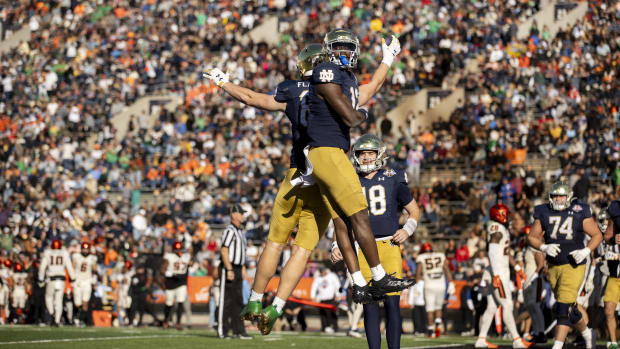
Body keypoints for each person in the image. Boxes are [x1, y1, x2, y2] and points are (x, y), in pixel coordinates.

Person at [306, 28, 414, 306]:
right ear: (329, 50)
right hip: (328, 152)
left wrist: (387, 58)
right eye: (338, 47)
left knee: (342, 220)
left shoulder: (347, 80)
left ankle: (358, 283)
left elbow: (372, 87)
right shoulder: (326, 71)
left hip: (329, 153)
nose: (343, 52)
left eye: (347, 47)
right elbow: (352, 117)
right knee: (360, 213)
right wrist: (361, 113)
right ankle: (377, 276)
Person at [331, 134, 421, 348]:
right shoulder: (350, 179)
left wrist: (407, 229)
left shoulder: (393, 176)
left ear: (379, 154)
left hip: (389, 245)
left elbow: (414, 210)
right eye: (362, 154)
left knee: (392, 303)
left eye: (370, 153)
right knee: (369, 304)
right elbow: (341, 219)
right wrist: (337, 244)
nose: (366, 158)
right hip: (361, 249)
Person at [527, 181, 602, 349]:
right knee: (568, 308)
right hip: (554, 266)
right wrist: (543, 246)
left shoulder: (579, 210)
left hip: (575, 264)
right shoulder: (543, 211)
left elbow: (597, 234)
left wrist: (586, 250)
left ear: (569, 196)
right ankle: (588, 334)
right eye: (555, 196)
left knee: (563, 307)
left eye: (561, 196)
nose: (559, 199)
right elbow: (531, 237)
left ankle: (558, 345)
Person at [475, 203, 531, 348]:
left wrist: (517, 268)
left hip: (497, 270)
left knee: (492, 307)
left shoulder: (501, 228)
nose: (508, 217)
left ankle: (481, 339)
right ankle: (517, 340)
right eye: (505, 214)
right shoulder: (496, 228)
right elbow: (493, 251)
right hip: (498, 272)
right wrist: (496, 275)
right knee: (507, 304)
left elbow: (504, 252)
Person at [217, 204, 251, 339]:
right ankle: (222, 331)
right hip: (229, 267)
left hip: (237, 268)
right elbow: (224, 250)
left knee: (238, 301)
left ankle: (239, 331)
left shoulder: (240, 232)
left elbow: (242, 253)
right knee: (226, 301)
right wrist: (229, 268)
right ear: (234, 215)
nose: (243, 216)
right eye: (241, 213)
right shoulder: (230, 230)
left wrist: (242, 268)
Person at [416, 242, 453, 338]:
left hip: (429, 284)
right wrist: (451, 282)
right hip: (441, 284)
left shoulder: (421, 257)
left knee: (430, 310)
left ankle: (430, 330)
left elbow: (418, 273)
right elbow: (446, 268)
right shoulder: (440, 255)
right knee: (438, 308)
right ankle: (438, 325)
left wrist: (418, 284)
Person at [39, 239, 75, 326]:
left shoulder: (48, 253)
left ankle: (51, 313)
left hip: (51, 279)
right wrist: (73, 277)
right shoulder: (64, 253)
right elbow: (69, 266)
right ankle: (57, 320)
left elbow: (42, 267)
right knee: (59, 300)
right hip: (61, 279)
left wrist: (41, 278)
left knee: (49, 297)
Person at [520, 226, 547, 344]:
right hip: (528, 280)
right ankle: (536, 332)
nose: (525, 238)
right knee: (530, 307)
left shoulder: (536, 247)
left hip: (535, 280)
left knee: (535, 306)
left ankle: (541, 332)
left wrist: (534, 276)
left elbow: (541, 264)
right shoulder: (527, 248)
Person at [160, 241, 190, 329]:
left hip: (181, 281)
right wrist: (166, 273)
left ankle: (178, 322)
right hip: (170, 282)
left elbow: (190, 264)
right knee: (169, 303)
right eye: (177, 250)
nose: (179, 251)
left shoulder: (186, 257)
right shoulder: (169, 257)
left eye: (180, 249)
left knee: (180, 301)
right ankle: (166, 320)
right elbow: (162, 269)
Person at [603, 201, 620, 349]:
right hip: (616, 272)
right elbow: (607, 236)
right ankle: (614, 343)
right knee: (608, 309)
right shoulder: (615, 210)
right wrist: (613, 239)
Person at [72, 241, 97, 326]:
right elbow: (73, 267)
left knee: (85, 302)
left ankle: (81, 319)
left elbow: (94, 269)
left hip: (87, 281)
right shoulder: (76, 256)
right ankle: (76, 316)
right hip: (78, 281)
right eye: (84, 249)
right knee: (77, 303)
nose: (85, 251)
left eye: (87, 249)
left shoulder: (92, 258)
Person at [310, 267, 341, 333]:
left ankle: (334, 327)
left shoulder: (332, 276)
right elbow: (314, 287)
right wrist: (313, 297)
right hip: (322, 300)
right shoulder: (318, 278)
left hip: (331, 299)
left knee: (332, 313)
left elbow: (337, 285)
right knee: (323, 314)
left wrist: (338, 295)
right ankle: (324, 327)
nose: (322, 273)